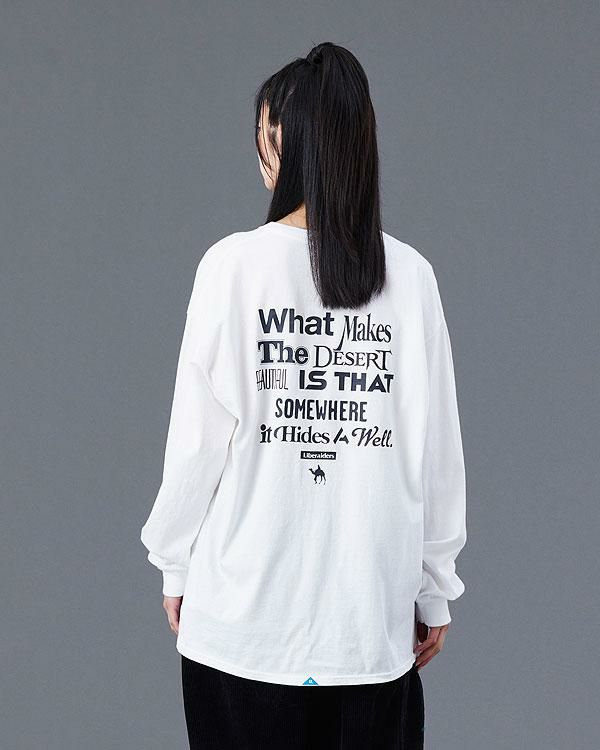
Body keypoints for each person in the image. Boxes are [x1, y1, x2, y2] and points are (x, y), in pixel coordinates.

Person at [140, 41, 467, 750]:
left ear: (286, 139)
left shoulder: (231, 267)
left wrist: (176, 563)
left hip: (244, 627)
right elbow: (435, 453)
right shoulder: (410, 276)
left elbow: (196, 445)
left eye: (263, 130)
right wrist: (435, 586)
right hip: (367, 629)